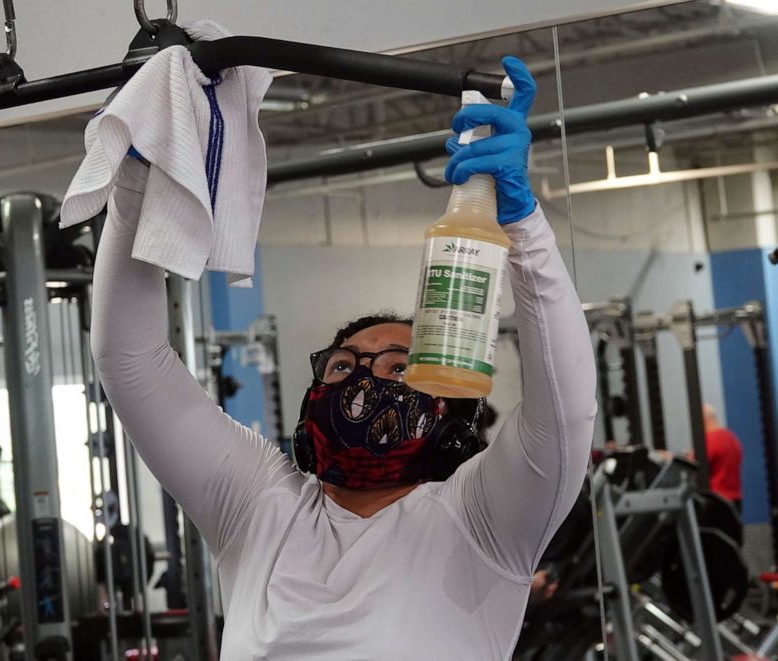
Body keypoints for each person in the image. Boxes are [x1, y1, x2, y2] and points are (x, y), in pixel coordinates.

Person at [90, 57, 596, 659]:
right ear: (312, 400)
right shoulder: (258, 510)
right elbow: (130, 358)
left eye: (397, 367)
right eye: (343, 366)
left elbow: (564, 411)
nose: (363, 383)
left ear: (447, 403)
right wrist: (137, 180)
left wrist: (524, 226)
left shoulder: (483, 520)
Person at [696, 403, 743, 513]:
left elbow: (694, 465)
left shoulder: (709, 440)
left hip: (715, 501)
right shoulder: (731, 438)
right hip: (735, 499)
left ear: (703, 420)